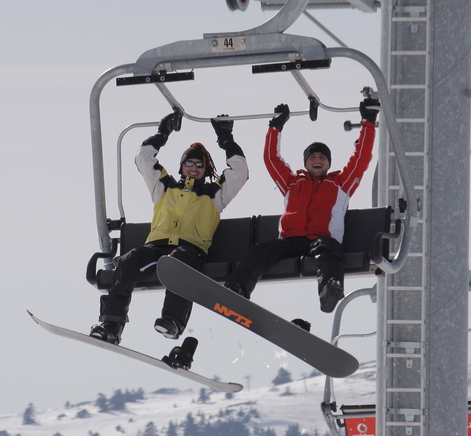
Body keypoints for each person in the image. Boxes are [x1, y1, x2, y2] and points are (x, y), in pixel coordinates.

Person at [90, 111, 249, 354]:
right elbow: (144, 158)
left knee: (177, 263)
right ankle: (111, 325)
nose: (193, 168)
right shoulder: (164, 187)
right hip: (156, 247)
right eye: (189, 163)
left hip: (189, 250)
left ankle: (173, 320)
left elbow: (239, 171)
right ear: (182, 165)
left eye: (199, 165)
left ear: (205, 169)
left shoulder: (214, 194)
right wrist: (162, 133)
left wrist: (226, 139)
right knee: (129, 261)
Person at [224, 98, 379, 319]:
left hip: (322, 238)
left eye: (322, 157)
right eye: (313, 157)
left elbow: (361, 158)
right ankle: (237, 287)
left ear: (328, 163)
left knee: (329, 251)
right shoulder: (292, 183)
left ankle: (330, 287)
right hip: (290, 241)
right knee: (260, 251)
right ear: (306, 163)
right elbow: (271, 159)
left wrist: (368, 122)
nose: (318, 160)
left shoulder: (340, 184)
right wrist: (275, 127)